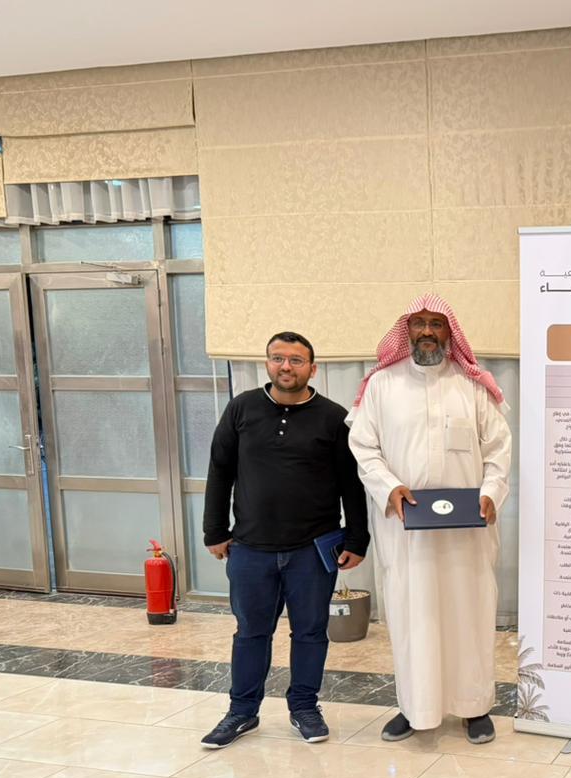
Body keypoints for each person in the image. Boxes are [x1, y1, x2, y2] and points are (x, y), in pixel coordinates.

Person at [346, 294, 512, 745]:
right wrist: (388, 487)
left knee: (469, 613)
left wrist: (491, 492)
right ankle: (415, 707)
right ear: (406, 331)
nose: (426, 332)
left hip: (467, 532)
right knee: (412, 616)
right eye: (418, 323)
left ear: (448, 331)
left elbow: (499, 448)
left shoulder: (472, 385)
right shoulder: (382, 385)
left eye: (436, 324)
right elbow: (363, 447)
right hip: (408, 531)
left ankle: (475, 707)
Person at [200, 331, 369, 748]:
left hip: (312, 550)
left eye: (296, 360)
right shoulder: (241, 408)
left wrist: (357, 538)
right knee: (250, 633)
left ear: (312, 368)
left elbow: (351, 483)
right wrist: (214, 530)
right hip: (250, 548)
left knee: (310, 632)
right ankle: (242, 712)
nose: (286, 367)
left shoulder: (333, 418)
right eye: (278, 358)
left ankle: (305, 707)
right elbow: (220, 470)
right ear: (267, 364)